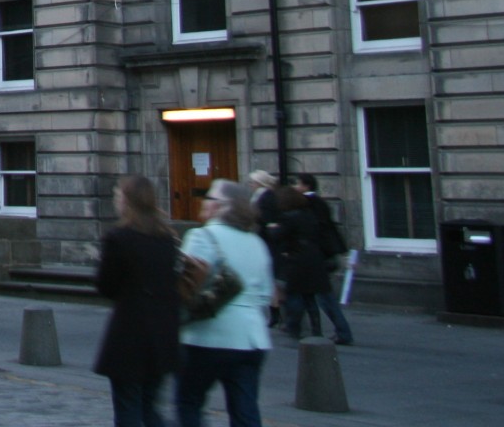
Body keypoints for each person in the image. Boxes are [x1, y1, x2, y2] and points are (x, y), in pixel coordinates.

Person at [176, 178, 275, 427]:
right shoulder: (257, 242)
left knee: (189, 402)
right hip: (252, 338)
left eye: (210, 198)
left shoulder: (202, 236)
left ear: (224, 206)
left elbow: (188, 285)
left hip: (207, 335)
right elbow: (265, 294)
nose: (204, 202)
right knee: (245, 411)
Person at [94, 176, 181, 427]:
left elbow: (106, 285)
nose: (116, 201)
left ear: (128, 201)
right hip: (162, 332)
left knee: (128, 409)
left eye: (118, 196)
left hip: (130, 334)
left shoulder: (119, 238)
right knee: (151, 408)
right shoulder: (167, 239)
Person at [289, 174, 353, 344]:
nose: (294, 187)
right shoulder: (317, 202)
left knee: (325, 298)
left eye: (297, 184)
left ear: (306, 186)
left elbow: (320, 230)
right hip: (321, 254)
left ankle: (342, 332)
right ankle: (319, 330)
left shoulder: (310, 204)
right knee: (317, 296)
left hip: (318, 256)